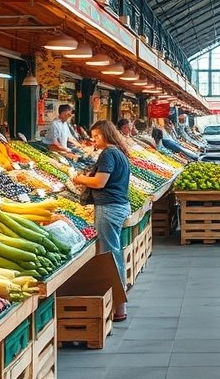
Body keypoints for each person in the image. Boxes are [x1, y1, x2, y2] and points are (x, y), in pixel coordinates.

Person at [71, 120, 131, 320]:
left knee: (110, 257)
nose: (94, 140)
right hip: (119, 205)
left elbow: (99, 182)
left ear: (106, 134)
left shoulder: (108, 154)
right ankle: (117, 303)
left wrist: (79, 179)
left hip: (109, 208)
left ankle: (118, 307)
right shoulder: (119, 153)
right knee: (114, 253)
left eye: (96, 136)